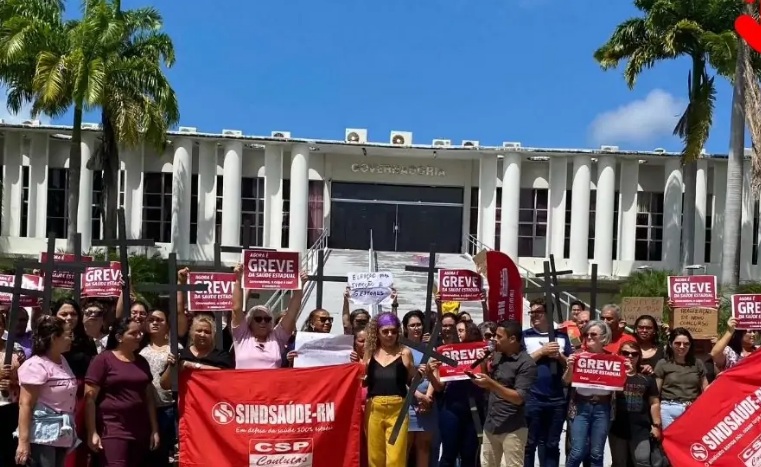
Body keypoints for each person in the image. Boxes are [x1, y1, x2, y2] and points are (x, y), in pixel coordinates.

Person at [84, 317, 159, 466]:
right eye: (133, 333)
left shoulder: (142, 361)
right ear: (119, 337)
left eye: (140, 333)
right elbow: (90, 398)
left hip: (140, 431)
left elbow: (149, 397)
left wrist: (154, 429)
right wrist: (92, 432)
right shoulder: (103, 360)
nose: (139, 336)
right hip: (112, 429)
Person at [364, 312, 431, 467]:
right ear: (377, 333)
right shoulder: (370, 353)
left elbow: (412, 380)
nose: (390, 335)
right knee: (375, 459)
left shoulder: (405, 352)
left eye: (393, 331)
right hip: (374, 409)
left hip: (398, 409)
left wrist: (420, 372)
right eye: (385, 331)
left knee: (395, 459)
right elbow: (363, 381)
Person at [472, 320, 537, 467]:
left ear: (512, 339)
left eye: (499, 336)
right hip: (491, 424)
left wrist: (491, 383)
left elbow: (519, 398)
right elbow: (489, 387)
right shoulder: (497, 356)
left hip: (512, 428)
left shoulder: (526, 363)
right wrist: (482, 364)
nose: (494, 339)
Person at [14, 316, 78, 467]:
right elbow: (25, 404)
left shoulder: (62, 360)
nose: (72, 339)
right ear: (55, 338)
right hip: (41, 434)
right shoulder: (36, 365)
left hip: (61, 434)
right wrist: (23, 443)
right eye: (69, 335)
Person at [522, 298, 572, 467]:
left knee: (551, 444)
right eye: (532, 312)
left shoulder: (563, 336)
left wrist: (560, 357)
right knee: (529, 443)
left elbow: (571, 365)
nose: (534, 316)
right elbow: (520, 364)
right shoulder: (525, 336)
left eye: (538, 312)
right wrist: (541, 352)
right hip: (532, 397)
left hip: (556, 398)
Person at [230, 265, 304, 369]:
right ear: (250, 321)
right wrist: (238, 279)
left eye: (267, 319)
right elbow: (236, 309)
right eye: (258, 319)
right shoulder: (242, 335)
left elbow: (292, 313)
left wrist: (299, 287)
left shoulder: (277, 337)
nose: (263, 322)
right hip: (245, 385)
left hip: (271, 385)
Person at [563, 320, 615, 467]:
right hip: (581, 407)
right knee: (577, 451)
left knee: (597, 453)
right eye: (587, 334)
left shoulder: (613, 359)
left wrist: (628, 370)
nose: (589, 337)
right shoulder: (578, 356)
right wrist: (570, 367)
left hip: (602, 408)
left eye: (593, 334)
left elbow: (620, 384)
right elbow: (566, 381)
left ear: (604, 337)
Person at [438, 321, 484, 467]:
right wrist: (431, 372)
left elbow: (486, 380)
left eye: (461, 330)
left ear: (470, 332)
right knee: (448, 455)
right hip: (451, 408)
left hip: (474, 410)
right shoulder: (446, 351)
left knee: (469, 455)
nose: (457, 333)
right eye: (456, 330)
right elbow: (439, 387)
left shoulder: (482, 351)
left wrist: (483, 360)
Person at [608, 341, 662, 467]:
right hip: (617, 428)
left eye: (634, 354)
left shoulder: (647, 378)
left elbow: (654, 403)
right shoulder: (612, 375)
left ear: (639, 357)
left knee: (642, 462)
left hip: (641, 429)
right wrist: (622, 372)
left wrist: (656, 425)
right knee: (619, 463)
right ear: (620, 354)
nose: (630, 357)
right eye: (625, 353)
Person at [401, 310, 440, 467]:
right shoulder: (400, 349)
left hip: (428, 406)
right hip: (407, 403)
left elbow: (435, 374)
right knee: (405, 447)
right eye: (412, 325)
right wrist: (418, 396)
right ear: (405, 328)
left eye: (419, 325)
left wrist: (428, 398)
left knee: (424, 447)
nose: (416, 328)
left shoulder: (431, 349)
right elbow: (400, 379)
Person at [139, 309, 176, 467]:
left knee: (163, 453)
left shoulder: (174, 348)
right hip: (143, 408)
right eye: (151, 319)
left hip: (167, 407)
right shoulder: (139, 346)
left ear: (167, 325)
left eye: (159, 320)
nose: (155, 323)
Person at [161, 315, 234, 391]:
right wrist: (171, 366)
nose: (202, 335)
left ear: (213, 335)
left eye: (207, 332)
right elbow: (165, 385)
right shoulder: (180, 355)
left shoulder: (222, 356)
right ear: (191, 332)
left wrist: (192, 365)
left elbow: (226, 376)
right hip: (184, 401)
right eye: (199, 331)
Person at [655, 328, 708, 429]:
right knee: (670, 443)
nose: (682, 347)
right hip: (669, 410)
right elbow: (655, 394)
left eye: (686, 344)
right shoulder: (662, 364)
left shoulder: (698, 364)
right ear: (670, 344)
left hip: (692, 409)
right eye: (678, 343)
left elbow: (706, 389)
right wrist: (656, 420)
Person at [0, 311, 25, 467]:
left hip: (11, 408)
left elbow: (27, 378)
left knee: (9, 453)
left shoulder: (16, 349)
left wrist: (13, 382)